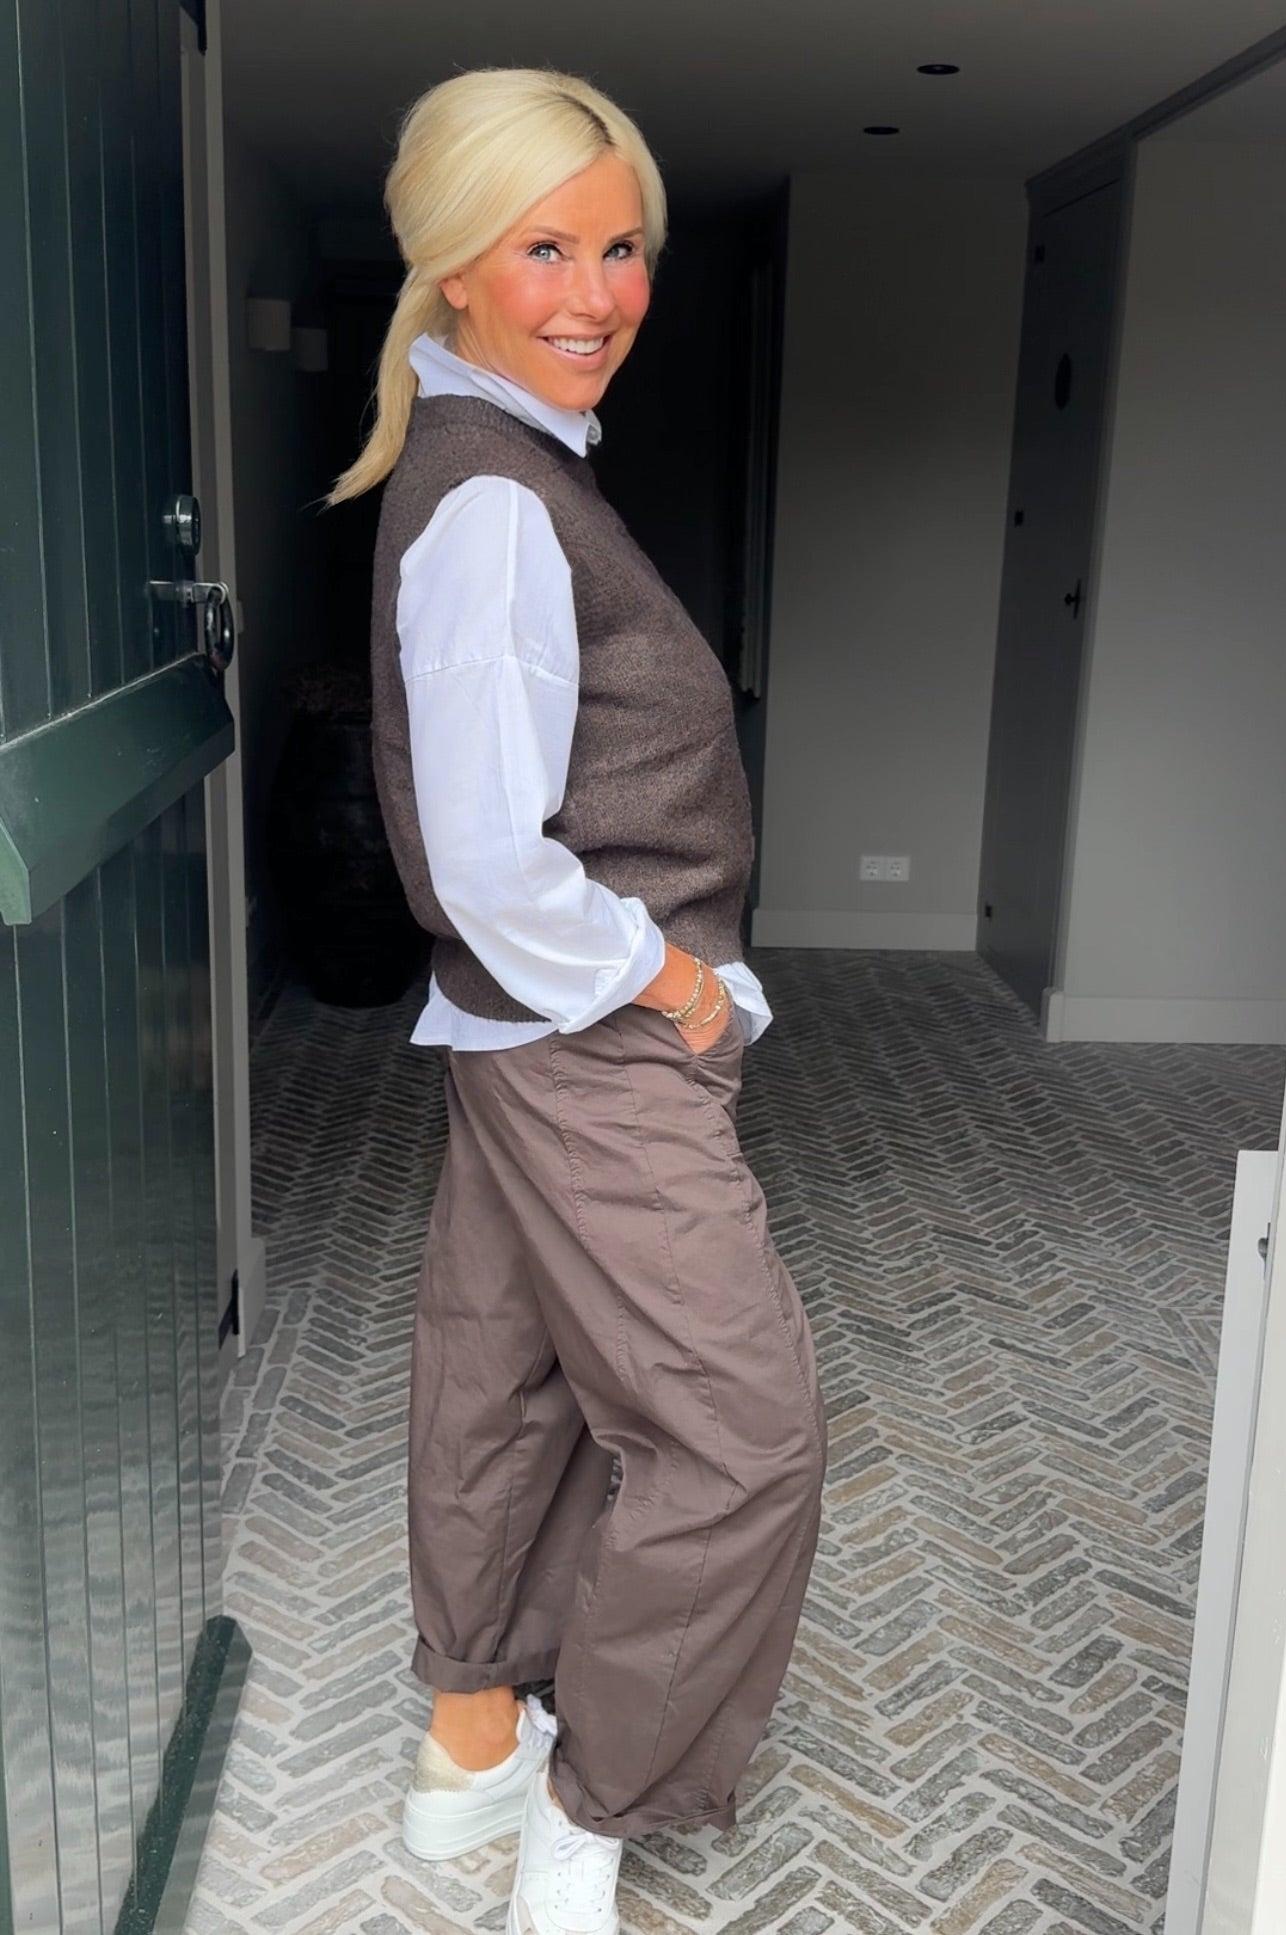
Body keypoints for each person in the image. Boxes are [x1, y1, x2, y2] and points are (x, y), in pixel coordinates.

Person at [330, 67, 827, 1935]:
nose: (597, 293)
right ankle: (589, 1796)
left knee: (507, 1376)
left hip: (519, 1035)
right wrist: (675, 981)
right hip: (590, 1034)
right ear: (452, 265)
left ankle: (472, 1738)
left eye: (621, 250)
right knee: (740, 1438)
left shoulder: (502, 466)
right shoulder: (494, 504)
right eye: (545, 248)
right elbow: (487, 860)